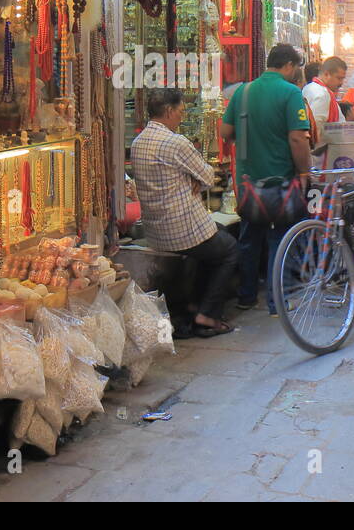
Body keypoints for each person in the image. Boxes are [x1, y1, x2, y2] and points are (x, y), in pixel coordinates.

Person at [130, 88, 238, 337]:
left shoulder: (138, 143)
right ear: (168, 111)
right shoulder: (176, 143)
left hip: (156, 229)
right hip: (183, 229)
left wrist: (192, 179)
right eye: (180, 111)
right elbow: (209, 176)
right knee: (230, 249)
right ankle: (207, 315)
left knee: (217, 237)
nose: (181, 116)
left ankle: (193, 305)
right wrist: (195, 179)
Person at [220, 44, 311, 313]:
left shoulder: (243, 92)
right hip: (280, 182)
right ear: (290, 66)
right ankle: (277, 302)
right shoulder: (291, 92)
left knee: (249, 240)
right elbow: (297, 138)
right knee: (280, 241)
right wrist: (304, 171)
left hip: (248, 184)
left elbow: (225, 131)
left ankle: (246, 297)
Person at [302, 55, 349, 132]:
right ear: (326, 74)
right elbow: (315, 128)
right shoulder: (323, 95)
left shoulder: (308, 87)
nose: (341, 83)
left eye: (343, 79)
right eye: (339, 78)